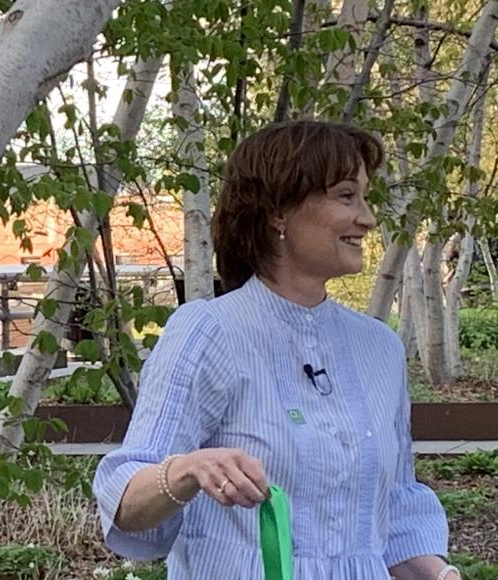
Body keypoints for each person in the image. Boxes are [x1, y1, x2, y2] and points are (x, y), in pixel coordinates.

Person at [93, 121, 458, 579]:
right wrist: (188, 470)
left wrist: (443, 576)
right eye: (347, 196)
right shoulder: (209, 332)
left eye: (365, 198)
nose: (367, 218)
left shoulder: (379, 347)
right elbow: (126, 504)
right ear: (278, 212)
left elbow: (395, 515)